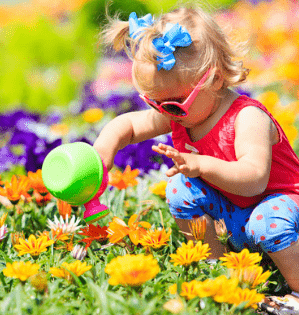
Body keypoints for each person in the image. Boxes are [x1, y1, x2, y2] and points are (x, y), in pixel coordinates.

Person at [92, 6, 299, 312]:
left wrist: (202, 166)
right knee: (179, 187)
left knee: (265, 220)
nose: (163, 113)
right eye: (154, 103)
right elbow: (130, 125)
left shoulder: (247, 118)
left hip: (281, 209)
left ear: (214, 80)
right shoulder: (183, 112)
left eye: (172, 105)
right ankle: (220, 272)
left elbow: (254, 180)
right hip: (242, 218)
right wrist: (102, 153)